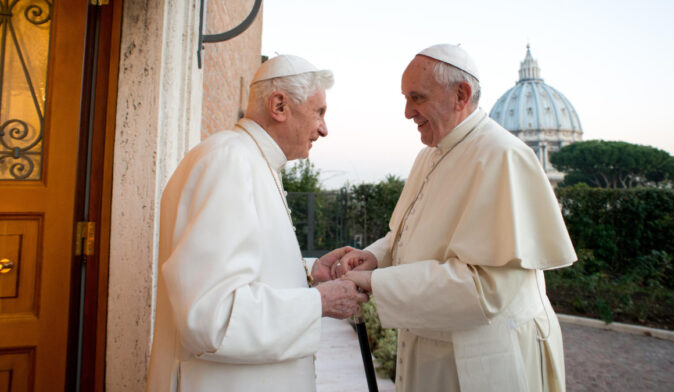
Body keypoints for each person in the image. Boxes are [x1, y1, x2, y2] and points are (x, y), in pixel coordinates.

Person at [334, 44, 577, 392]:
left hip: (482, 358)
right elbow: (407, 234)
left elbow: (486, 289)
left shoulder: (503, 156)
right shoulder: (429, 155)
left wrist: (376, 283)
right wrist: (375, 257)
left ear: (460, 95)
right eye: (405, 98)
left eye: (416, 98)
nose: (407, 112)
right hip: (430, 347)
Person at [146, 55, 368, 392]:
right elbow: (211, 317)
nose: (324, 128)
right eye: (319, 112)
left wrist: (309, 275)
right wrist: (320, 301)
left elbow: (244, 270)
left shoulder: (250, 161)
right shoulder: (231, 161)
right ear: (279, 105)